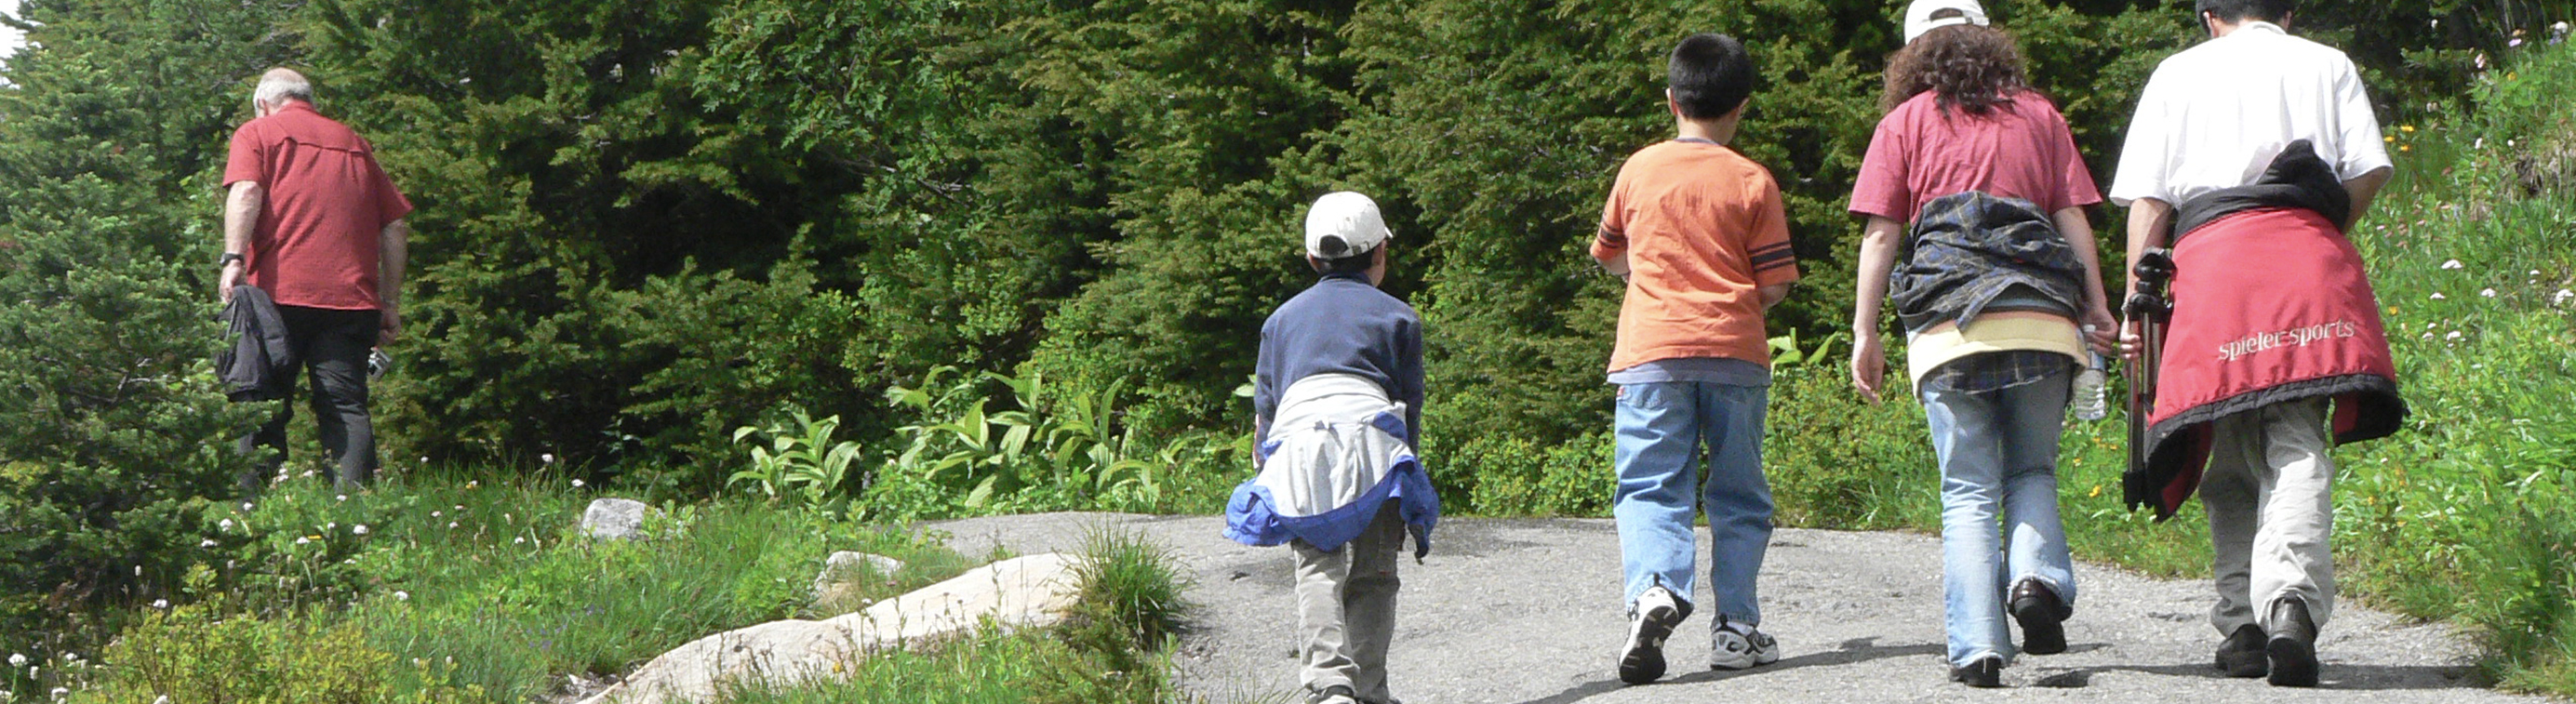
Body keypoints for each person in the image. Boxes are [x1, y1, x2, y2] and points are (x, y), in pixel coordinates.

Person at [2108, 0, 2407, 688]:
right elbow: (2369, 169)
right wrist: (2326, 223)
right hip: (2302, 259)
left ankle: (2242, 625)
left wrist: (2136, 306)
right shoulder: (2327, 63)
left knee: (2225, 447)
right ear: (2291, 12)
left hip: (2210, 263)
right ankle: (2290, 609)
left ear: (2209, 16)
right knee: (2295, 432)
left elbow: (2150, 203)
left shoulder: (2176, 73)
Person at [1845, 0, 2119, 687]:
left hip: (1945, 325)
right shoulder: (2040, 115)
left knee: (1966, 488)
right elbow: (2071, 218)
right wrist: (2096, 307)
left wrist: (1864, 330)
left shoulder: (1902, 123)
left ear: (1912, 55)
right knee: (2030, 470)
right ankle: (2033, 580)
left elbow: (1880, 235)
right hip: (2041, 316)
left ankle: (1976, 649)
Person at [1592, 33, 1798, 685]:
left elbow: (1608, 254)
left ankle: (1653, 589)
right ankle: (1735, 628)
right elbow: (1774, 284)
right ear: (1739, 107)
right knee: (1737, 491)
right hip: (1735, 353)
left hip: (1650, 353)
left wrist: (1651, 282)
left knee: (1652, 485)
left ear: (1670, 100)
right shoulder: (1751, 179)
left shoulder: (1638, 169)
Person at [1224, 192, 1436, 704]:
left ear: (1313, 259)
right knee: (1376, 573)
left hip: (1300, 444)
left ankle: (1330, 686)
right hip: (1374, 442)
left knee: (1317, 566)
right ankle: (1368, 690)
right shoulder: (1399, 316)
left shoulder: (1280, 320)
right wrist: (1407, 480)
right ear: (1380, 252)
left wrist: (1268, 470)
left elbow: (1267, 408)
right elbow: (1411, 404)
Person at [218, 68, 414, 494]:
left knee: (260, 402)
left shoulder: (257, 133)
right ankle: (356, 515)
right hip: (352, 301)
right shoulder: (354, 144)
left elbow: (247, 190)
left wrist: (233, 258)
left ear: (264, 104)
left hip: (276, 298)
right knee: (344, 405)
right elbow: (395, 226)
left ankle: (254, 514)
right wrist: (390, 302)